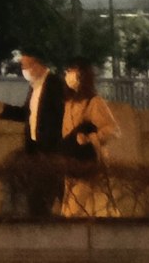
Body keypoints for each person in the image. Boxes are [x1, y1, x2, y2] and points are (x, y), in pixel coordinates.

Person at [0, 51, 69, 216]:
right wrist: (3, 109)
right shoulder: (34, 87)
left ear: (37, 65)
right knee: (38, 195)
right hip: (34, 149)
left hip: (50, 149)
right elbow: (27, 114)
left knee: (53, 191)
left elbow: (62, 115)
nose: (23, 69)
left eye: (25, 65)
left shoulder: (54, 84)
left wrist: (55, 142)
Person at [57, 60, 134, 220]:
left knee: (74, 210)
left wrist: (90, 138)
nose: (67, 75)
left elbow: (113, 130)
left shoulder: (94, 102)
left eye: (72, 71)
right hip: (70, 161)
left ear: (82, 75)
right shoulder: (68, 103)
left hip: (87, 161)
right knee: (81, 206)